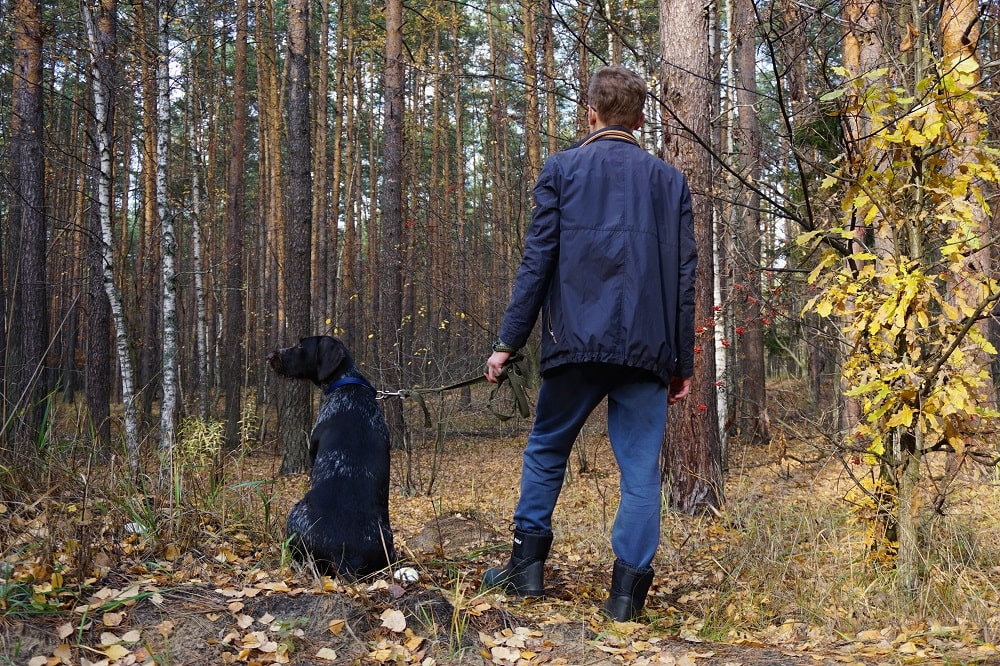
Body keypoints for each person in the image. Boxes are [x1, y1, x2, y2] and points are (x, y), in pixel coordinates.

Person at [482, 65, 697, 622]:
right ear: (641, 119)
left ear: (591, 114)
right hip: (648, 351)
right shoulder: (669, 182)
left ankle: (525, 572)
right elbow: (684, 277)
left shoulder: (562, 170)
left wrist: (509, 340)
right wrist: (681, 360)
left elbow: (537, 265)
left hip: (575, 345)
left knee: (547, 449)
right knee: (640, 473)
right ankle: (625, 602)